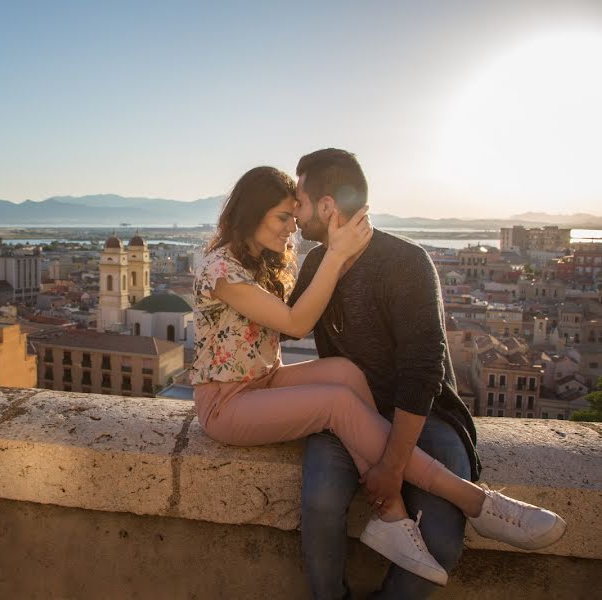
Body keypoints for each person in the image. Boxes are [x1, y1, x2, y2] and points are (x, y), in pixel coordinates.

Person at [191, 164, 566, 592]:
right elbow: (296, 323)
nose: (292, 227)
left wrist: (390, 461)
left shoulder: (266, 262)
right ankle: (474, 501)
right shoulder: (220, 268)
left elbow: (422, 361)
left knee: (346, 372)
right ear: (251, 213)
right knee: (337, 405)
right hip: (225, 403)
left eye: (295, 216)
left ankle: (390, 516)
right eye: (282, 217)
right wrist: (334, 254)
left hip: (263, 381)